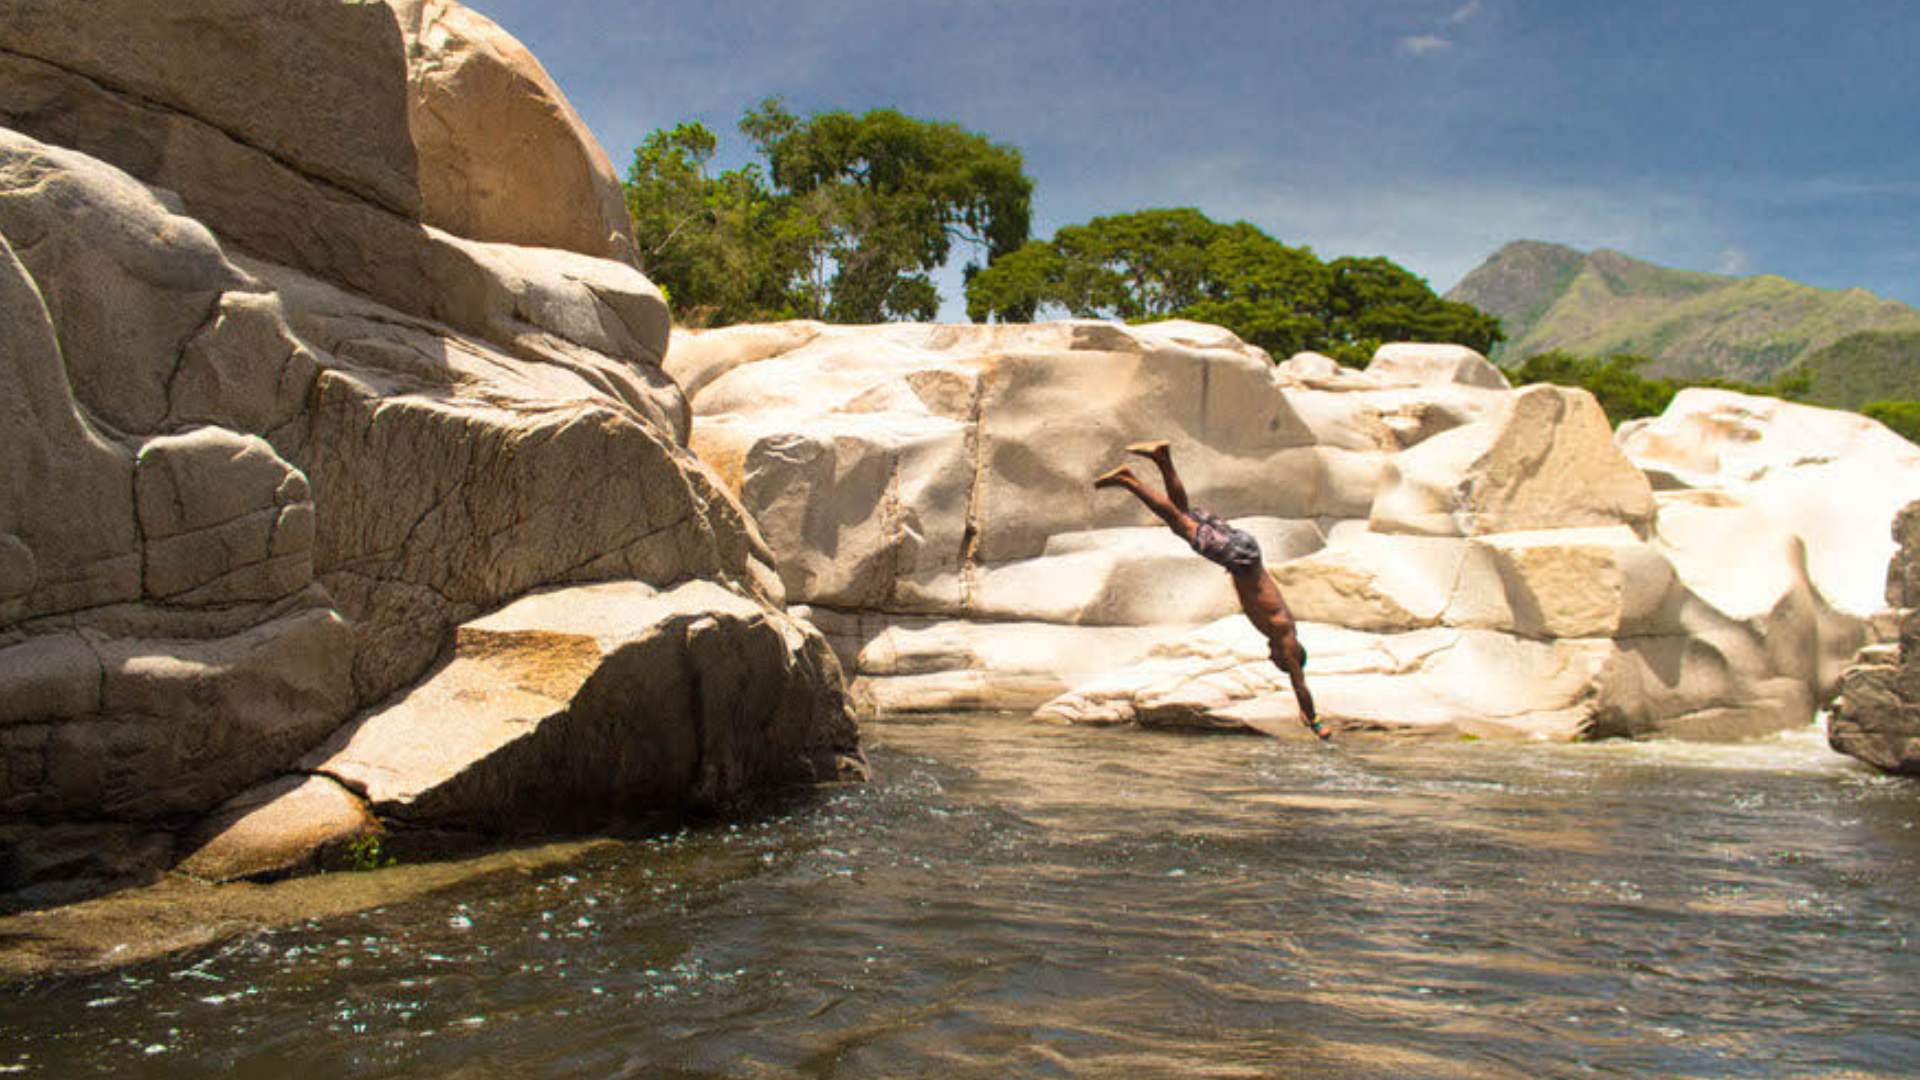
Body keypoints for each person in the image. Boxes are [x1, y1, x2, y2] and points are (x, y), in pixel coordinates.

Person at [1094, 440, 1329, 740]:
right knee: (1178, 522)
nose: (1273, 659)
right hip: (1239, 559)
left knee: (1184, 513)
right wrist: (1314, 720)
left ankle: (1162, 458)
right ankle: (1129, 480)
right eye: (1279, 662)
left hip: (1245, 552)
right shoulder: (1285, 639)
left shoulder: (1283, 628)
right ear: (1290, 657)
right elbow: (1301, 685)